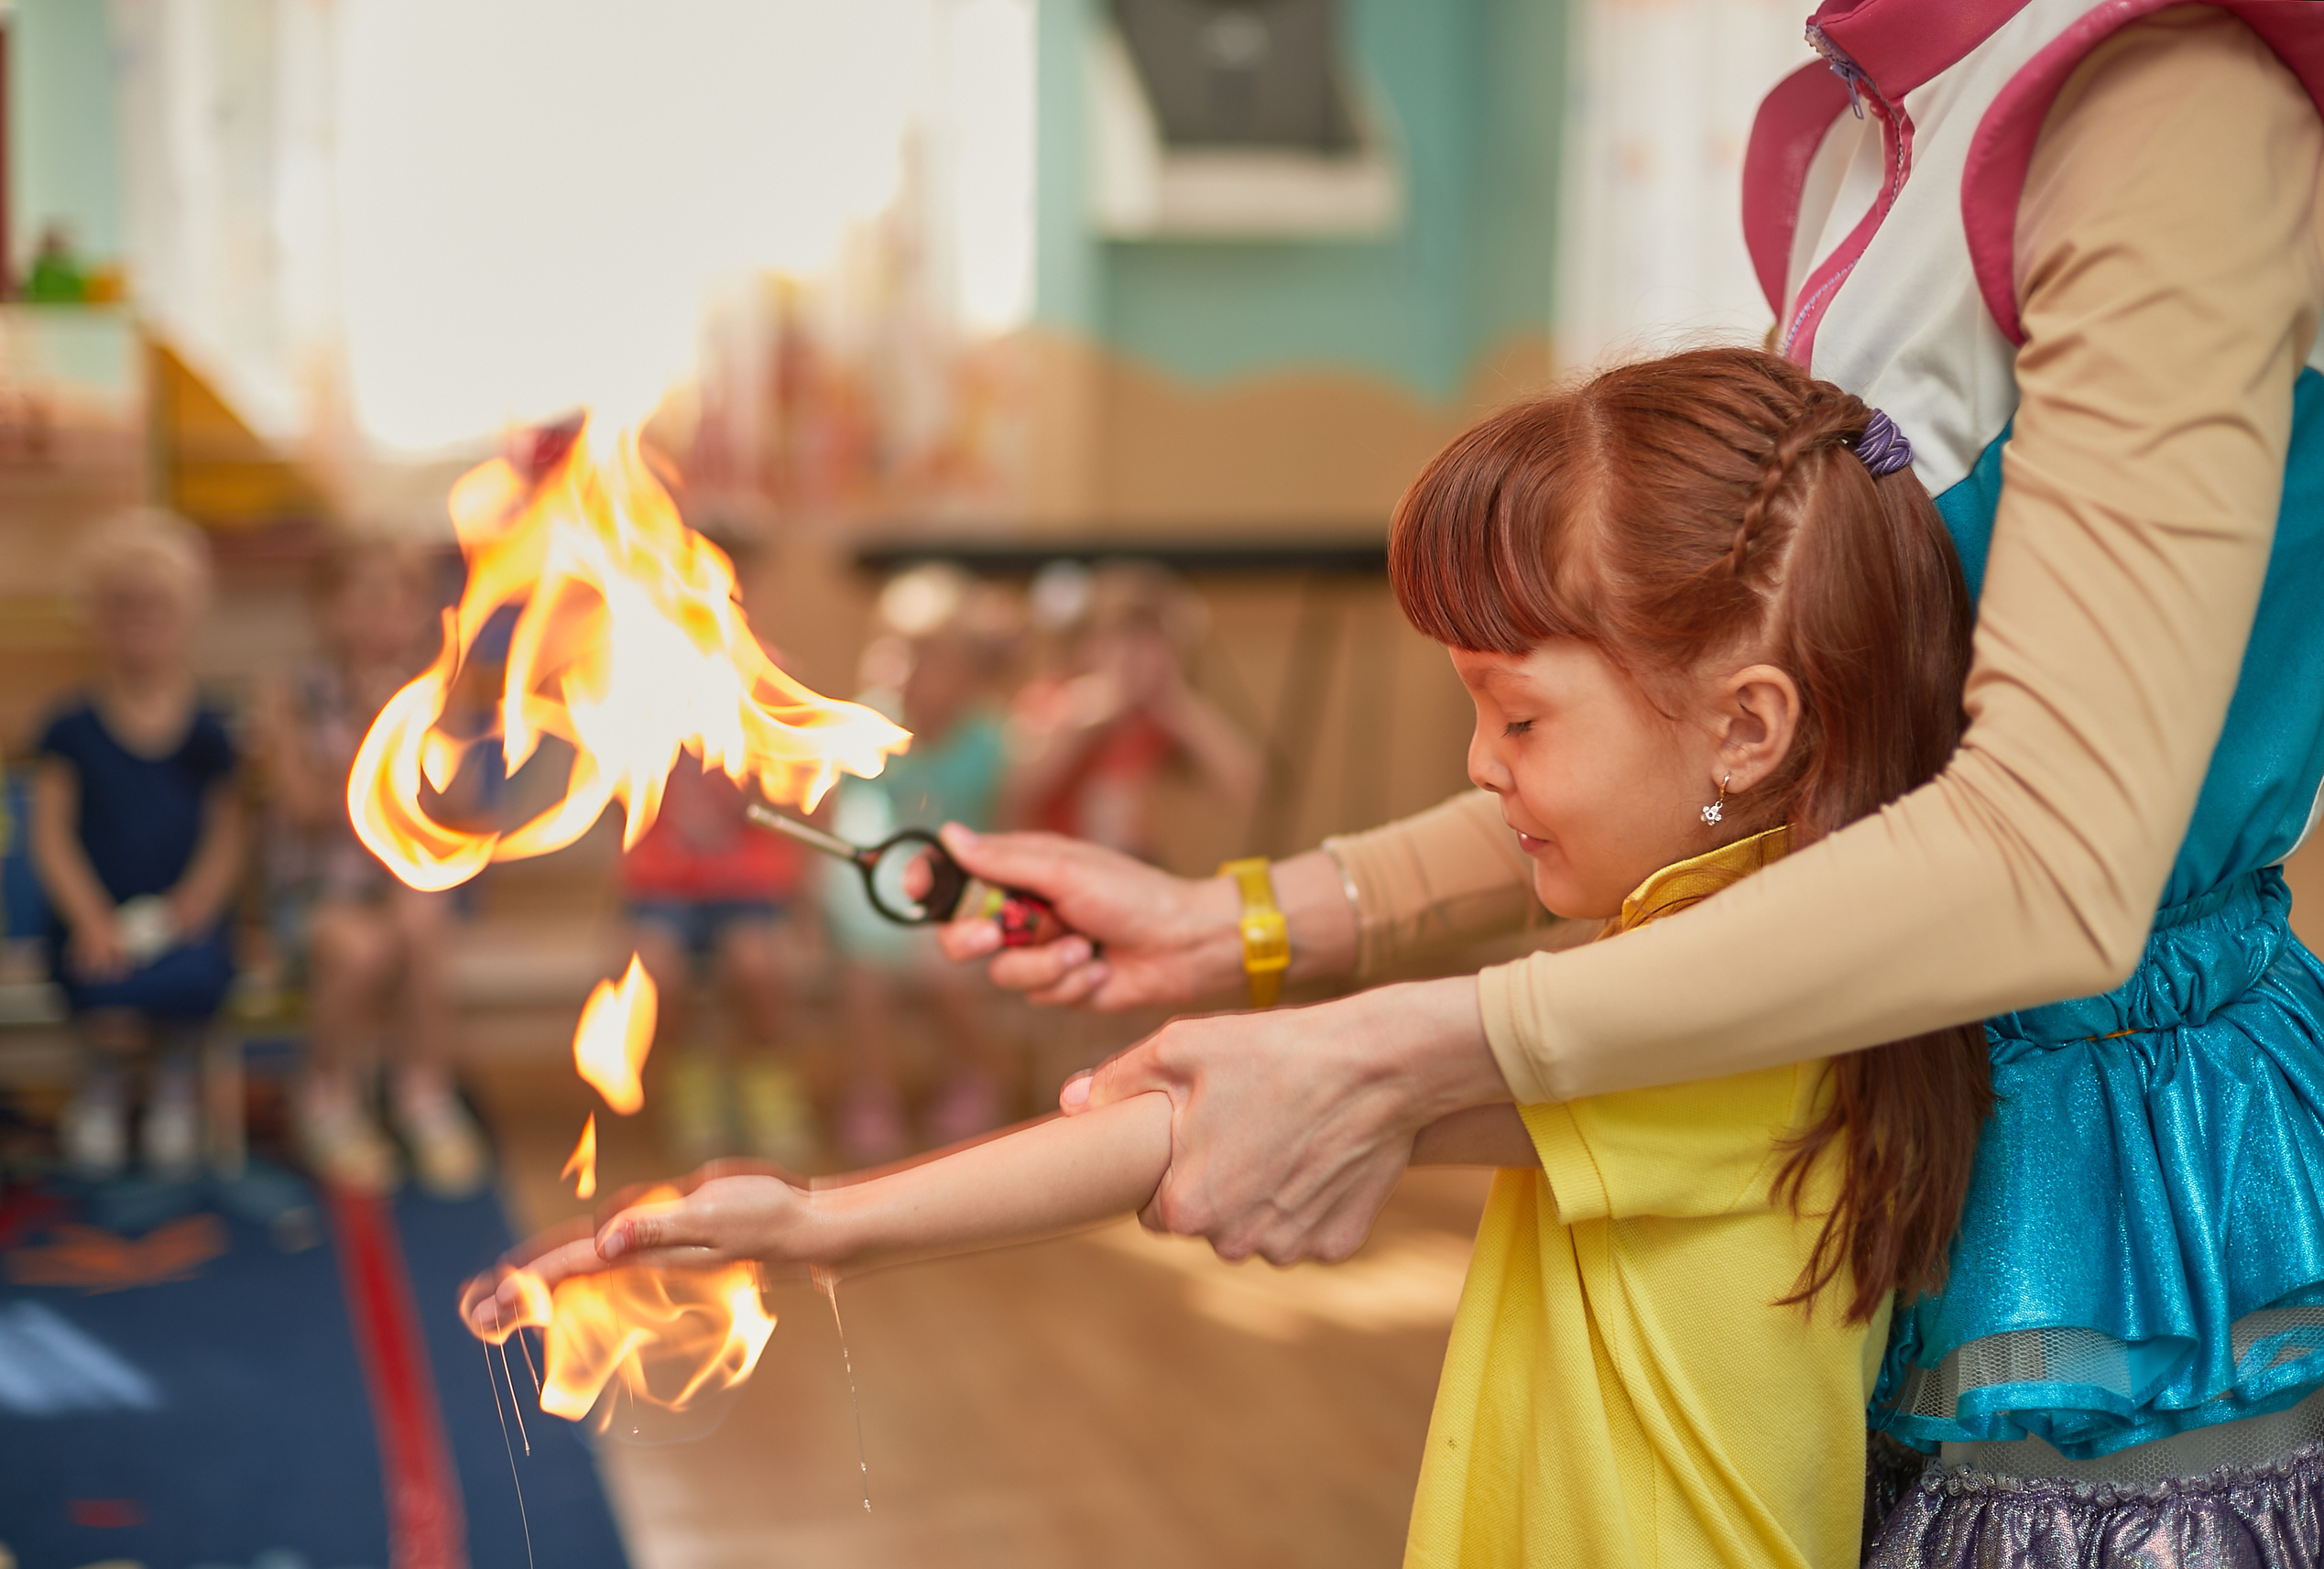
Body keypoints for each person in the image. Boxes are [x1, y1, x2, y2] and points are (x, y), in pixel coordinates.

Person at [934, 5, 2324, 1554]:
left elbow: (2049, 865)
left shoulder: (2167, 114)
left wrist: (1409, 1047)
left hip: (2120, 1206)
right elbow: (1726, 763)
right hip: (1855, 1091)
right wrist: (1246, 921)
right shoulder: (1861, 142)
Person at [476, 350, 1985, 1567]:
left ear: (1746, 727)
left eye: (1518, 717)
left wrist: (824, 1223)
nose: (1481, 764)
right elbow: (1209, 1113)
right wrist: (818, 1224)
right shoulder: (1733, 952)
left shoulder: (1738, 1019)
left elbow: (1189, 1120)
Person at [252, 539, 488, 1197]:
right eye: (363, 593)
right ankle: (327, 1096)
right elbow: (301, 806)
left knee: (421, 922)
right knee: (358, 949)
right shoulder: (292, 691)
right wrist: (371, 738)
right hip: (317, 886)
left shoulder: (436, 690)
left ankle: (424, 1094)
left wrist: (403, 764)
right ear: (326, 607)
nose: (382, 611)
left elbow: (458, 805)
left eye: (399, 596)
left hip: (403, 882)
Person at [29, 510, 243, 1183]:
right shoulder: (69, 728)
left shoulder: (208, 726)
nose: (140, 620)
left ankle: (175, 1087)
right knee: (103, 978)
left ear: (188, 613)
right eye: (122, 605)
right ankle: (106, 1085)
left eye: (158, 606)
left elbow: (228, 830)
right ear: (94, 615)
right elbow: (51, 835)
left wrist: (198, 900)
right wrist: (90, 915)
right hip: (96, 908)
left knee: (193, 976)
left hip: (183, 911)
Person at [823, 565, 1021, 1160]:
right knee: (865, 976)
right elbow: (834, 815)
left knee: (945, 970)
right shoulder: (865, 727)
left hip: (959, 897)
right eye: (892, 648)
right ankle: (871, 1092)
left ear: (969, 673)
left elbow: (1006, 831)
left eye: (926, 655)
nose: (903, 667)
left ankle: (975, 1075)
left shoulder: (990, 742)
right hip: (872, 899)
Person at [623, 755, 816, 1168]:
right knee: (654, 969)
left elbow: (788, 810)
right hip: (663, 887)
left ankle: (766, 1078)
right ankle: (691, 1078)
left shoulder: (755, 735)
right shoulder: (645, 738)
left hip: (745, 886)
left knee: (757, 964)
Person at [1003, 561, 1258, 861]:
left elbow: (1247, 786)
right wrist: (1090, 715)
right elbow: (1016, 789)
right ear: (1086, 643)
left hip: (1131, 862)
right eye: (1122, 638)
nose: (1136, 655)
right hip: (1059, 860)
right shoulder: (1056, 695)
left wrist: (1179, 705)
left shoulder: (1159, 713)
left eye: (1152, 642)